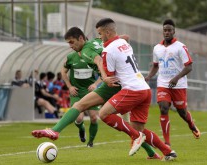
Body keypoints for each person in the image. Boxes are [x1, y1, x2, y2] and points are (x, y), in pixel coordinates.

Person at [32, 27, 147, 156]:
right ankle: (156, 153)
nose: (70, 46)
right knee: (81, 107)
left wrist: (104, 77)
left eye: (71, 42)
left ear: (81, 38)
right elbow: (125, 37)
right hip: (121, 82)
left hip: (114, 83)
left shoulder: (86, 50)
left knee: (94, 112)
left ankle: (55, 131)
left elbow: (98, 60)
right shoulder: (97, 41)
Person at [95, 18, 176, 160]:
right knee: (139, 129)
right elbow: (125, 38)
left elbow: (110, 78)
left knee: (103, 114)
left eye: (100, 33)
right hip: (144, 89)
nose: (99, 37)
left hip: (132, 90)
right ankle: (167, 151)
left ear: (107, 32)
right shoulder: (123, 43)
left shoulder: (107, 50)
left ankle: (136, 136)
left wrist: (100, 67)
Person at [145, 19, 201, 146]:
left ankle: (192, 125)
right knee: (164, 109)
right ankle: (167, 143)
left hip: (178, 85)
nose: (167, 32)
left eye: (169, 30)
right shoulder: (157, 48)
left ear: (174, 31)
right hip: (163, 84)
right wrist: (148, 76)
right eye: (165, 30)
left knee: (182, 112)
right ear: (162, 31)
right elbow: (155, 66)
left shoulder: (180, 47)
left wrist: (176, 78)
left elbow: (189, 66)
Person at [61, 51, 102, 147]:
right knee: (79, 118)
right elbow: (63, 71)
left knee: (94, 118)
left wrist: (95, 84)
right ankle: (81, 129)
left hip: (90, 92)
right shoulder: (71, 57)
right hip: (77, 92)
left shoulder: (93, 57)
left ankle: (90, 142)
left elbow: (103, 73)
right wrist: (70, 86)